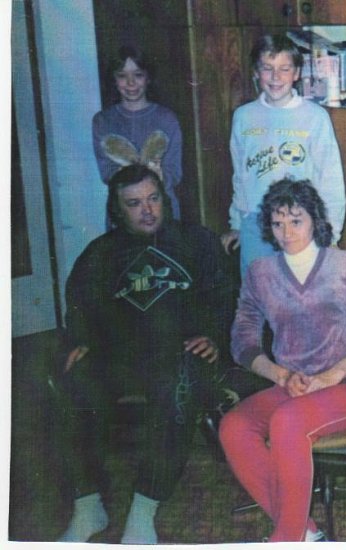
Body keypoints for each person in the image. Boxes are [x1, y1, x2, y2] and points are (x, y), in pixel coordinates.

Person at [57, 164, 235, 544]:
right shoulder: (101, 253)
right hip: (121, 355)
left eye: (153, 199)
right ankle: (87, 507)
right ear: (118, 210)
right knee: (72, 381)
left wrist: (214, 336)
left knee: (179, 385)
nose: (148, 210)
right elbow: (78, 305)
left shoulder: (197, 241)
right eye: (134, 203)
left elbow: (225, 295)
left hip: (181, 354)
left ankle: (143, 509)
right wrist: (79, 339)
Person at [219, 178, 346, 542]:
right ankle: (307, 533)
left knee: (287, 422)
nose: (286, 233)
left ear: (314, 219)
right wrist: (279, 374)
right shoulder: (260, 273)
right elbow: (242, 339)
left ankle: (287, 539)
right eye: (277, 223)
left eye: (295, 221)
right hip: (295, 385)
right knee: (233, 427)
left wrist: (335, 373)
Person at [221, 34, 346, 274]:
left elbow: (330, 179)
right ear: (256, 72)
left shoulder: (315, 117)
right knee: (259, 289)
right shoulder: (243, 117)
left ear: (296, 73)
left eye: (284, 69)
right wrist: (237, 223)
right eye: (267, 68)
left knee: (299, 290)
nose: (275, 77)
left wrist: (331, 234)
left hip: (300, 223)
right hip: (255, 224)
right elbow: (241, 176)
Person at [93, 45, 183, 220]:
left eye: (138, 75)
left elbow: (175, 172)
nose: (131, 83)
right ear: (113, 79)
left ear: (148, 77)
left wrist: (160, 175)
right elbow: (106, 172)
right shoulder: (102, 121)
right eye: (122, 76)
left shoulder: (167, 118)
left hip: (162, 211)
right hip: (125, 211)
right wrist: (125, 176)